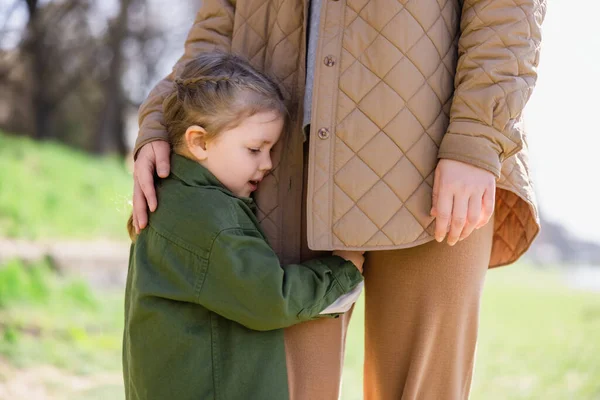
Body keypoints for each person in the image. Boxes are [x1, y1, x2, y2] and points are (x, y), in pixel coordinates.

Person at [131, 1, 546, 399]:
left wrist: (478, 133)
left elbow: (506, 8)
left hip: (433, 158)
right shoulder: (251, 168)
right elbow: (214, 24)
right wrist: (162, 120)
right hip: (285, 165)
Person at [122, 52, 365, 400]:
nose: (267, 164)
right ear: (199, 142)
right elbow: (269, 298)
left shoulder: (177, 197)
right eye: (254, 149)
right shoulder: (210, 221)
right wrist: (342, 271)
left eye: (271, 150)